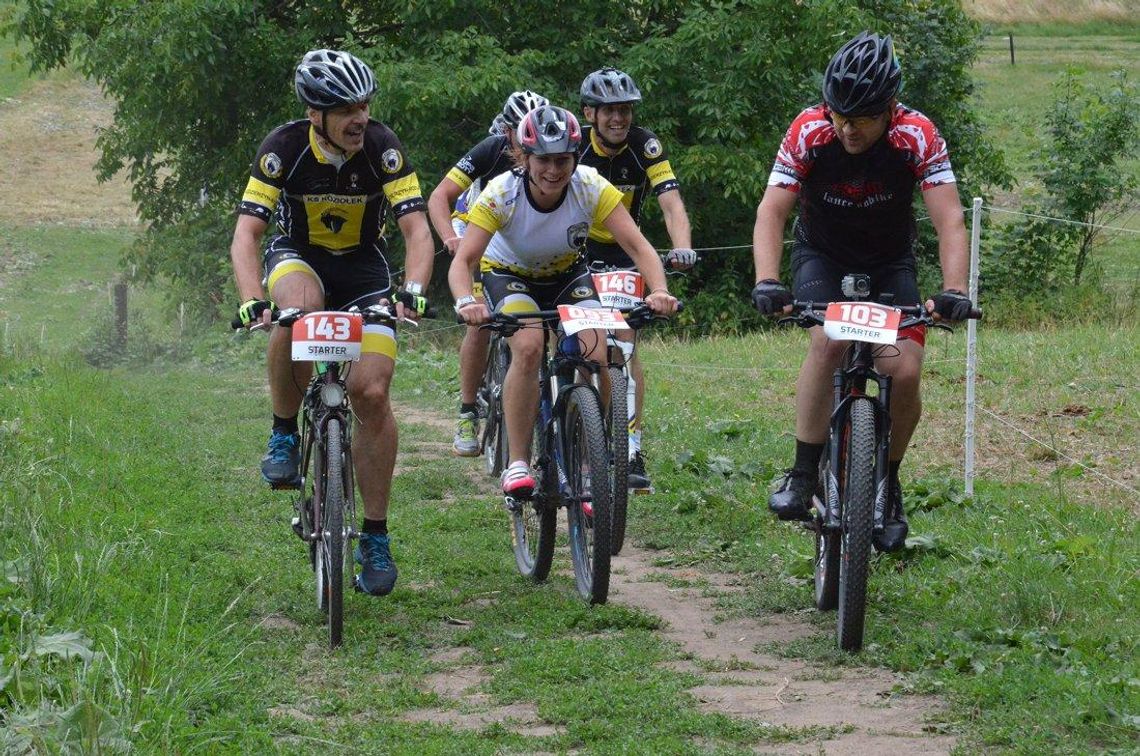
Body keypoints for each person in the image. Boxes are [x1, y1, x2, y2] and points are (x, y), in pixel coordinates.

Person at [749, 31, 976, 552]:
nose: (847, 128)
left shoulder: (917, 134)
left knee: (905, 369)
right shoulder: (809, 129)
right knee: (828, 341)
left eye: (862, 118)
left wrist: (954, 289)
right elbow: (772, 210)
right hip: (821, 256)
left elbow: (950, 221)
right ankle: (803, 472)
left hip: (889, 261)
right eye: (839, 114)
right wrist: (767, 278)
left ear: (889, 108)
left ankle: (887, 484)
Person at [230, 49, 435, 595]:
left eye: (364, 104)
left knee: (371, 393)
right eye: (345, 108)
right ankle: (283, 435)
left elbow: (417, 231)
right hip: (299, 255)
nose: (359, 117)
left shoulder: (383, 148)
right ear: (315, 113)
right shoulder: (284, 148)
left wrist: (413, 291)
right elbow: (247, 235)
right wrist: (253, 297)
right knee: (296, 308)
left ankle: (374, 535)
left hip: (365, 268)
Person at [449, 104, 678, 496]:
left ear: (576, 157)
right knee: (529, 345)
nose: (554, 171)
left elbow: (639, 246)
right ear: (524, 157)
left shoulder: (590, 185)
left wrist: (659, 290)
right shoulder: (501, 192)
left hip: (567, 275)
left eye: (563, 160)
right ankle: (518, 462)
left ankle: (592, 453)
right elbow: (464, 260)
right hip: (509, 275)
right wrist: (464, 301)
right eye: (543, 160)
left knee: (598, 350)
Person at [577, 66, 695, 491]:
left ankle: (629, 448)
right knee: (583, 345)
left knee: (625, 344)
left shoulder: (645, 145)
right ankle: (574, 426)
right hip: (577, 251)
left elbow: (671, 202)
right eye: (610, 110)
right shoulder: (574, 147)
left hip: (627, 252)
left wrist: (681, 245)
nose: (618, 119)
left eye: (625, 110)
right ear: (590, 113)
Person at [427, 90, 549, 457]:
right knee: (479, 320)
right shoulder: (491, 149)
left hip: (522, 238)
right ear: (508, 131)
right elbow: (440, 196)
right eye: (521, 129)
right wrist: (450, 236)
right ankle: (467, 410)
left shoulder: (554, 156)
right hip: (479, 228)